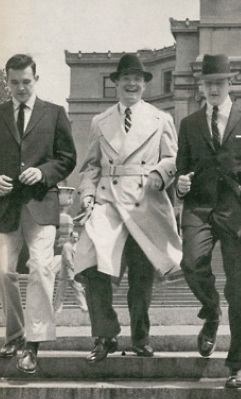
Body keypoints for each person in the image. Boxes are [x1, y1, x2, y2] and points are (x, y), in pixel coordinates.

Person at [73, 54, 183, 363]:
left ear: (145, 85)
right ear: (117, 83)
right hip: (107, 203)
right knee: (90, 264)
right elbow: (91, 167)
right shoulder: (100, 121)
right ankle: (104, 335)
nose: (132, 84)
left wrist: (161, 174)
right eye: (126, 79)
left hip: (144, 202)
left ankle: (140, 336)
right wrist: (87, 196)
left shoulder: (162, 119)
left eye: (138, 79)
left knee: (141, 274)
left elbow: (174, 159)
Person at [176, 53, 241, 388]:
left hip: (235, 212)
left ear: (230, 83)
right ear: (200, 86)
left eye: (219, 82)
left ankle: (237, 364)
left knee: (238, 289)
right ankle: (211, 310)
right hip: (199, 209)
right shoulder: (188, 125)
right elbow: (181, 168)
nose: (213, 88)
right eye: (208, 83)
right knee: (191, 263)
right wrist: (181, 183)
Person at [0, 54, 76, 374]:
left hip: (41, 205)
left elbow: (67, 159)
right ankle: (14, 333)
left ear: (36, 78)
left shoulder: (54, 114)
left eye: (26, 81)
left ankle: (33, 345)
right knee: (0, 270)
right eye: (13, 82)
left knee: (41, 268)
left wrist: (43, 173)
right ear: (8, 81)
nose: (20, 88)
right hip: (4, 207)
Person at [52, 232, 88, 313]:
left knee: (79, 289)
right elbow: (68, 259)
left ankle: (84, 307)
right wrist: (74, 269)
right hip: (66, 273)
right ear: (70, 237)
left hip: (73, 273)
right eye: (74, 237)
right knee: (61, 292)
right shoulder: (67, 246)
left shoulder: (77, 246)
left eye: (77, 238)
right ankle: (56, 308)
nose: (75, 239)